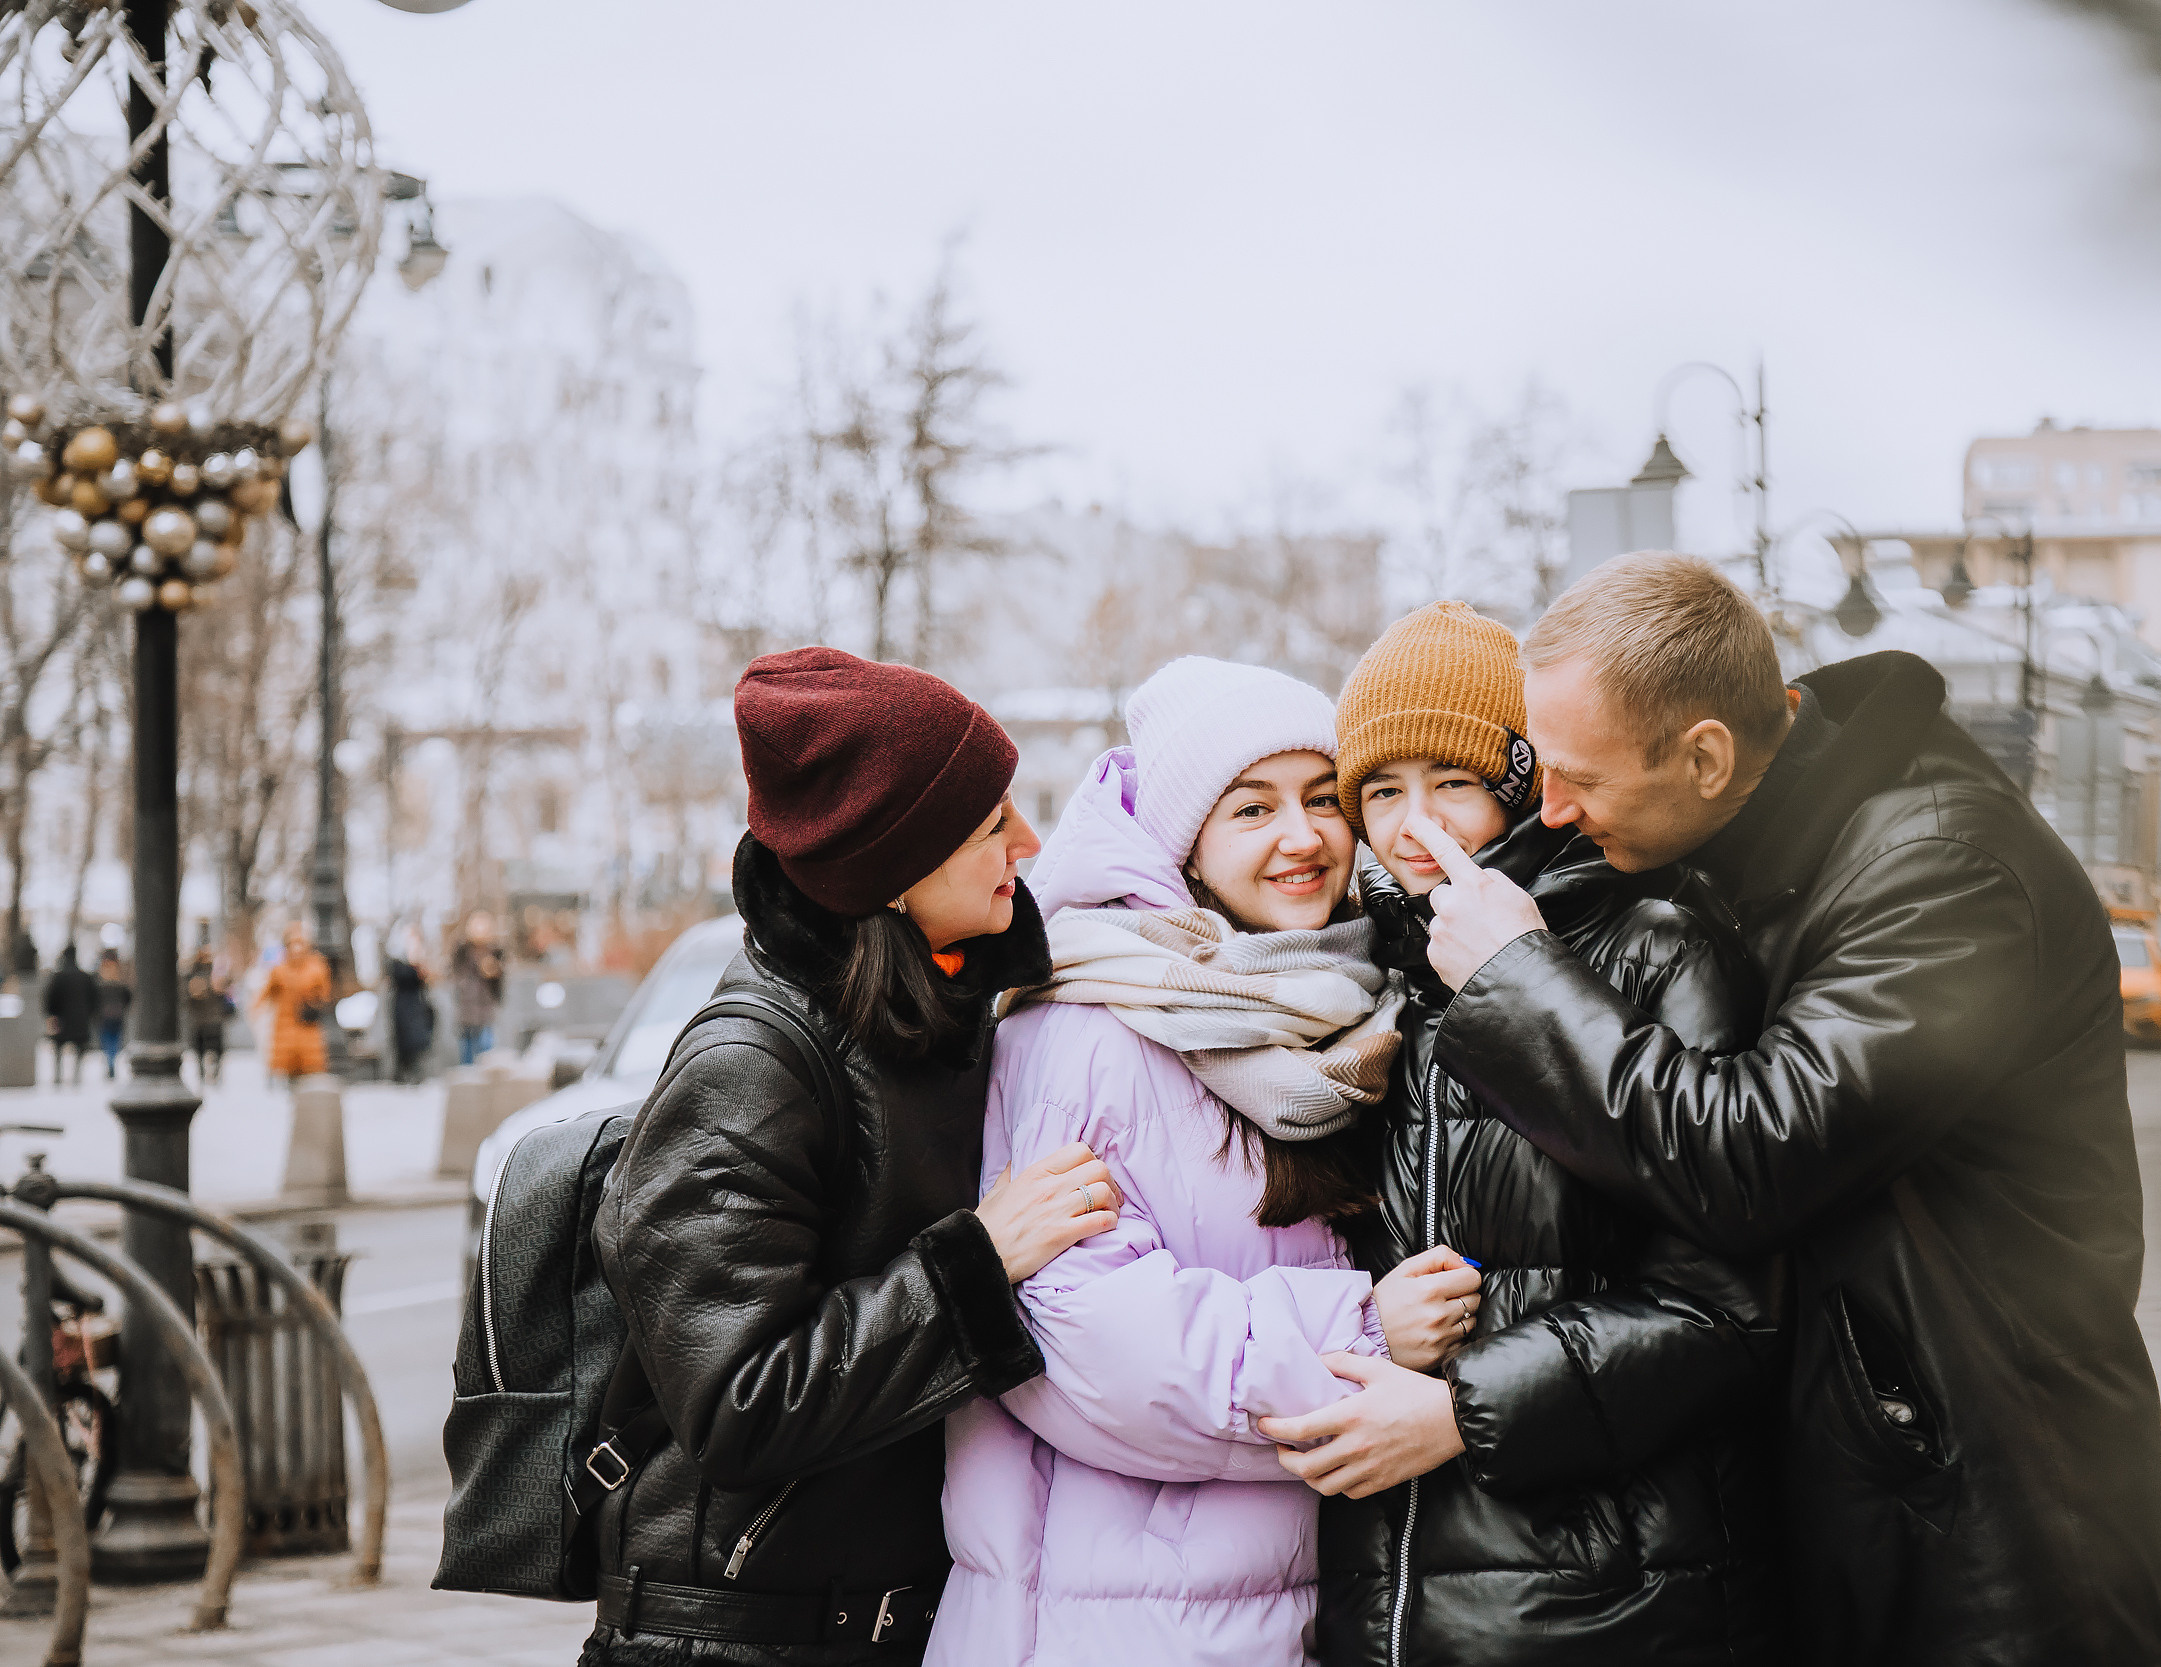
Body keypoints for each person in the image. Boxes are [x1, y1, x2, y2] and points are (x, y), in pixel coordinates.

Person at [1408, 554, 2161, 1666]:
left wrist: (1516, 975)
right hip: (1870, 1492)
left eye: (1578, 778)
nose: (1555, 809)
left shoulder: (1943, 869)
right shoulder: (1755, 848)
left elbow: (1753, 1149)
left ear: (1706, 755)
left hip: (1991, 1514)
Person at [583, 648, 1118, 1667]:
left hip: (890, 1617)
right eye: (990, 824)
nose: (1030, 841)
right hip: (739, 1638)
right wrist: (979, 1258)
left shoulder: (949, 1014)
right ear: (896, 865)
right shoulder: (749, 1067)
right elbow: (738, 1399)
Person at [1275, 602, 1785, 1667]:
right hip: (1397, 1596)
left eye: (1451, 782)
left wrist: (1463, 1408)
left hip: (1596, 1599)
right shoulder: (1372, 985)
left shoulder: (1652, 952)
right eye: (1381, 789)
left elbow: (1725, 1311)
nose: (1414, 826)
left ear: (1524, 779)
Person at [931, 656, 1437, 1667]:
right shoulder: (1091, 1020)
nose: (1303, 836)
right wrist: (1367, 1329)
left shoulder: (1335, 1012)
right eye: (1252, 808)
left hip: (1254, 1608)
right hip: (1097, 1619)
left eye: (1322, 798)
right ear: (1186, 846)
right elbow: (1088, 1341)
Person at [256, 923, 332, 1084]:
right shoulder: (279, 970)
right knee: (289, 1067)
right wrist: (257, 1008)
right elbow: (267, 992)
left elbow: (325, 993)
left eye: (300, 944)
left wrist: (315, 1000)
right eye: (292, 944)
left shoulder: (316, 967)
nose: (296, 949)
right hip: (285, 1024)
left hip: (307, 1023)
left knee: (310, 1066)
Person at [450, 911, 503, 1066]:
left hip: (485, 1010)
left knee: (486, 1051)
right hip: (466, 1010)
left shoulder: (495, 952)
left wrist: (493, 971)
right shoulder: (462, 952)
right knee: (467, 1055)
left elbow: (499, 983)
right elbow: (456, 975)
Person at [41, 945, 97, 1088]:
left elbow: (50, 998)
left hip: (62, 1020)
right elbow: (95, 998)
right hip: (80, 1019)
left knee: (59, 1047)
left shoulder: (58, 977)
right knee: (79, 1046)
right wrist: (90, 1013)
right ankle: (76, 1077)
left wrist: (51, 1013)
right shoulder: (84, 977)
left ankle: (58, 1076)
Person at [385, 938, 436, 1083]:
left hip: (416, 1007)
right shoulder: (398, 964)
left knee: (417, 1041)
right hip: (403, 1007)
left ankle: (414, 1072)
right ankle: (402, 1073)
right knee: (404, 1043)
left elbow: (424, 981)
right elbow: (403, 978)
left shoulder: (418, 964)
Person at [184, 947, 231, 1086]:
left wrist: (221, 986)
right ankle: (202, 1072)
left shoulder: (218, 972)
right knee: (200, 1049)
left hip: (215, 1017)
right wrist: (194, 990)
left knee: (217, 1048)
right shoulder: (192, 973)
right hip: (200, 1019)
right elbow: (185, 996)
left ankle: (216, 1072)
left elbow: (226, 990)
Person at [93, 948, 130, 1081]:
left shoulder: (100, 979)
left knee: (107, 1040)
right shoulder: (119, 978)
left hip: (104, 1015)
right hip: (117, 1014)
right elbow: (127, 996)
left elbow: (95, 998)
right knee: (115, 1040)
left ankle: (110, 1061)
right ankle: (112, 1060)